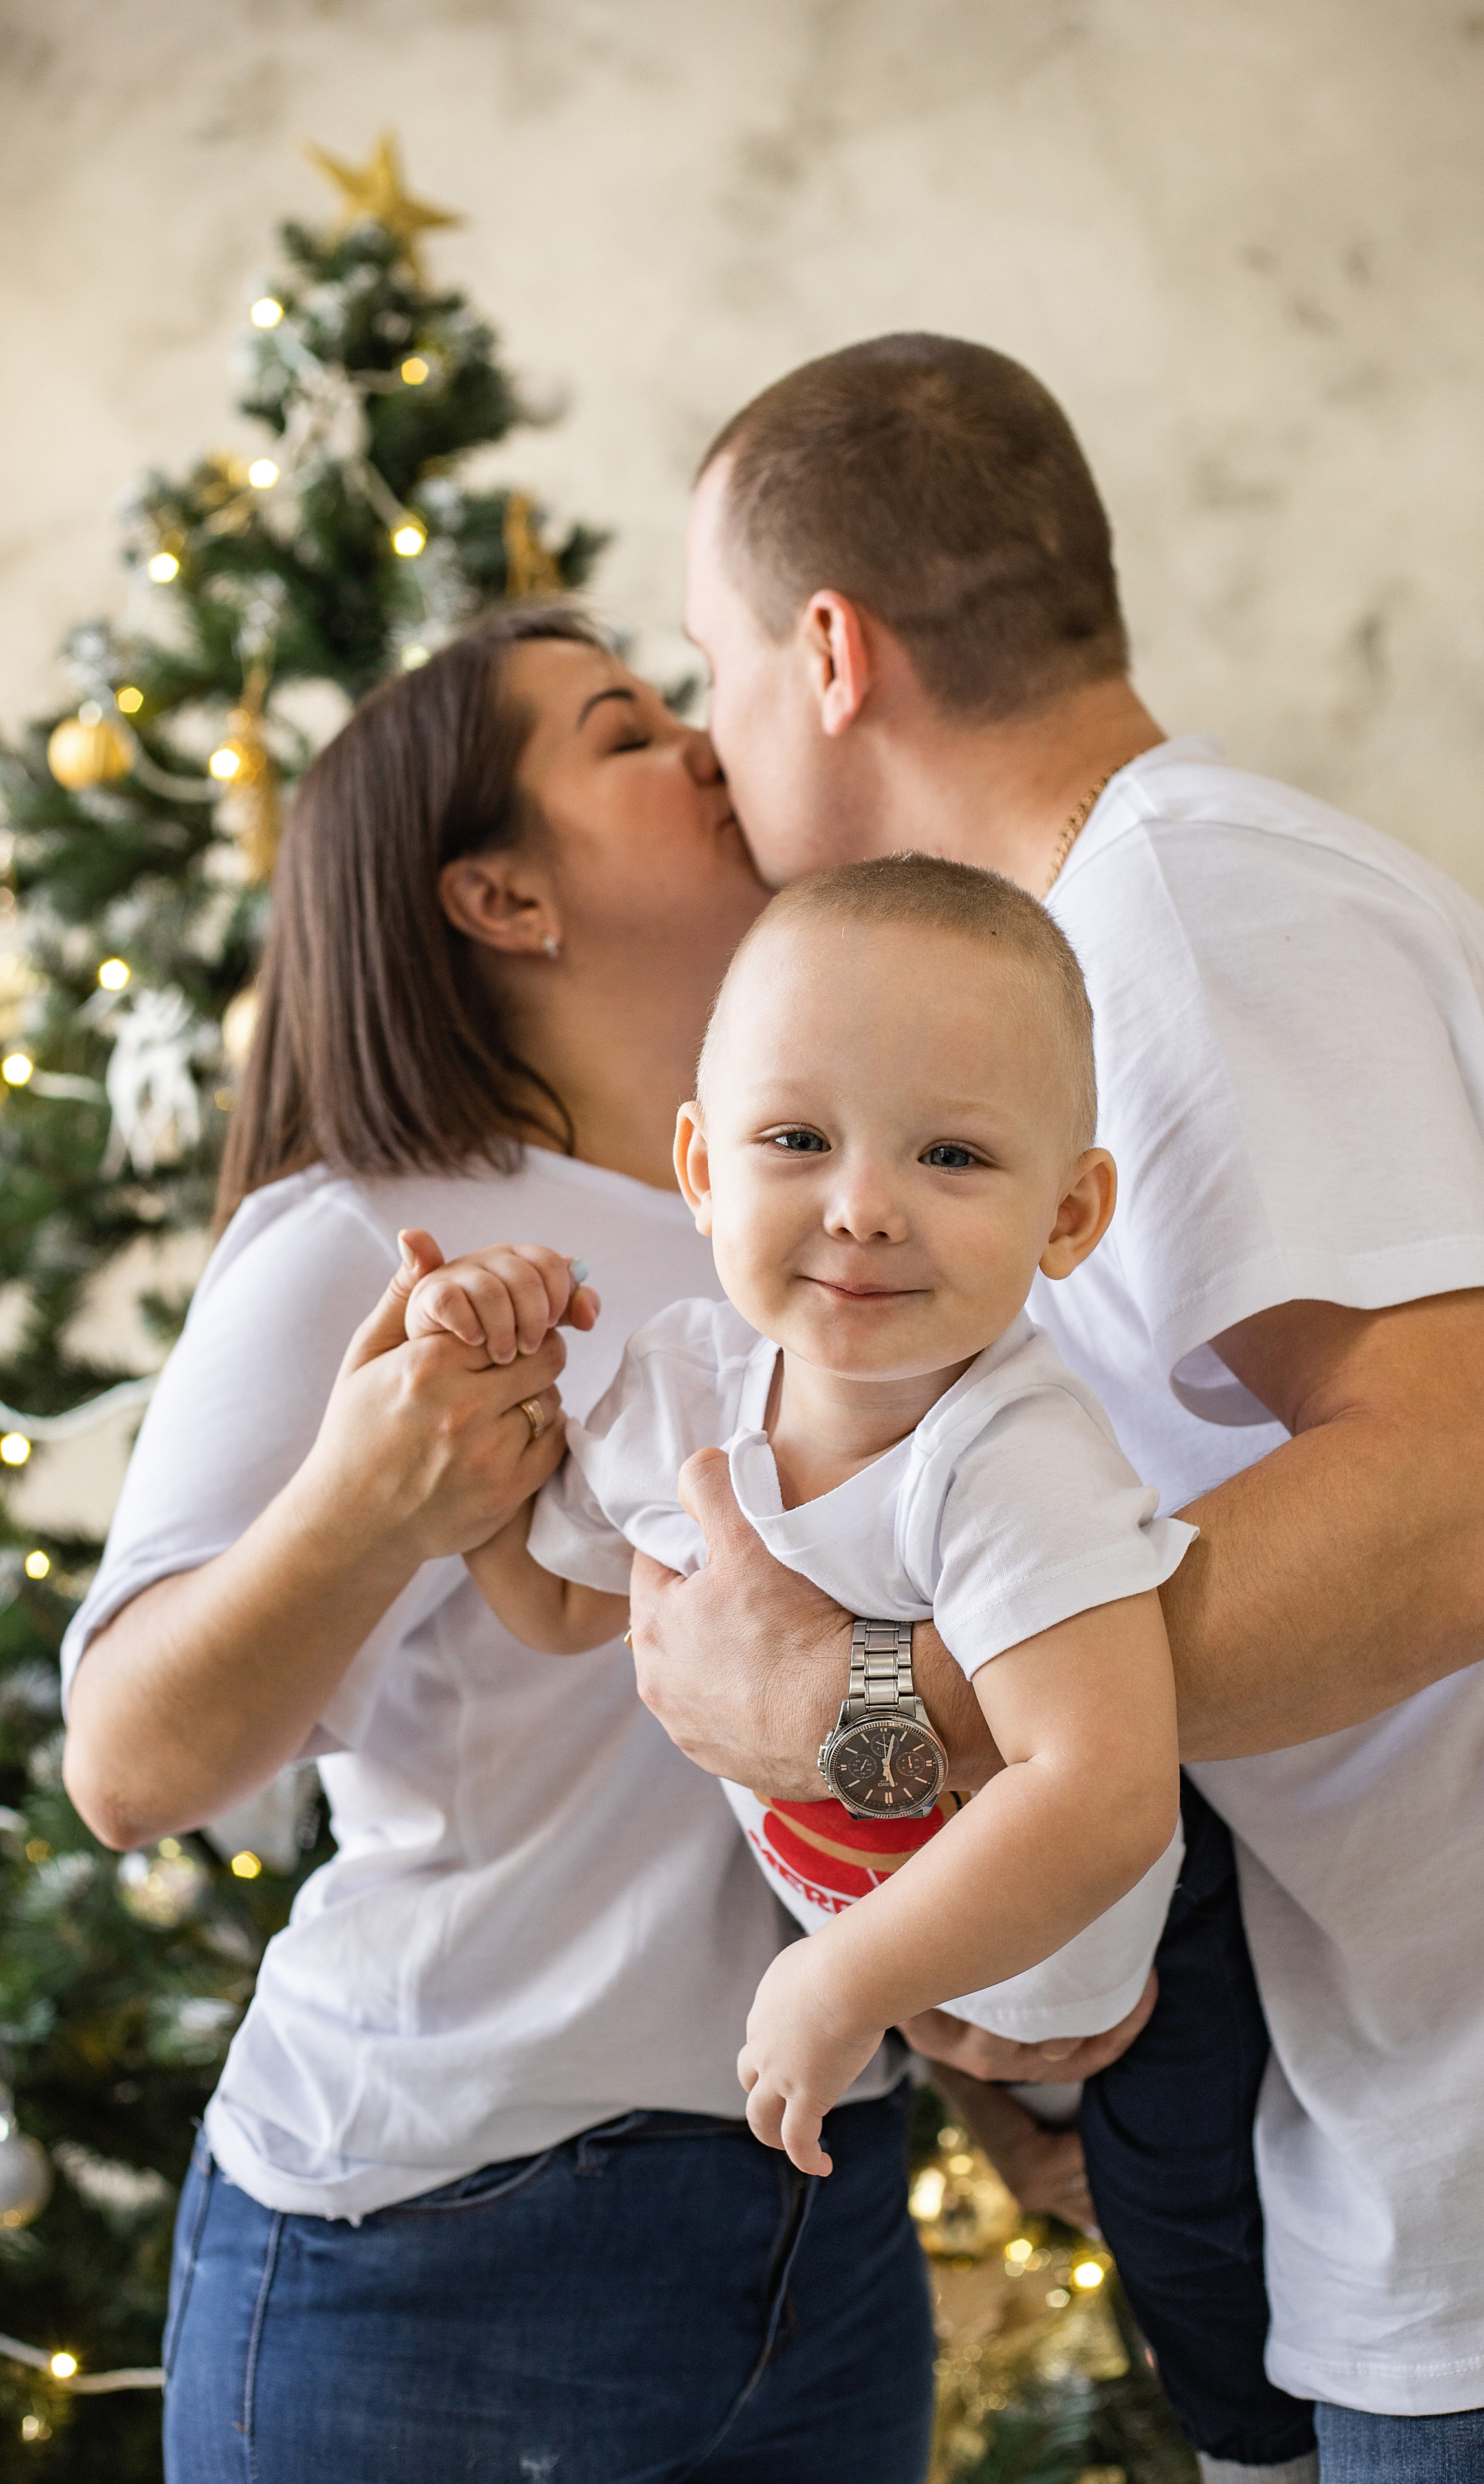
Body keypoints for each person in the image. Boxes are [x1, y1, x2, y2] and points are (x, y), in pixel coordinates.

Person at [624, 333, 1484, 2484]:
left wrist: (872, 1708)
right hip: (1412, 2134)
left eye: (714, 663)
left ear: (832, 652)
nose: (707, 735)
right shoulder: (1104, 950)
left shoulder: (1190, 911)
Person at [59, 606, 939, 2484]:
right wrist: (369, 1506)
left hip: (827, 2213)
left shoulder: (832, 1226)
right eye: (626, 730)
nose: (708, 740)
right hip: (445, 2249)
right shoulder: (359, 1239)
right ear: (502, 899)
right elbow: (129, 1768)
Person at [404, 854, 1192, 2176]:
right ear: (701, 1168)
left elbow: (1103, 1795)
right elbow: (556, 1605)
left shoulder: (1010, 1459)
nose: (864, 1208)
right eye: (796, 1140)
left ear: (1067, 1214)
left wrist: (842, 1984)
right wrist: (482, 1392)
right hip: (892, 2000)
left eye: (950, 1154)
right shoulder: (679, 1390)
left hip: (1093, 2016)